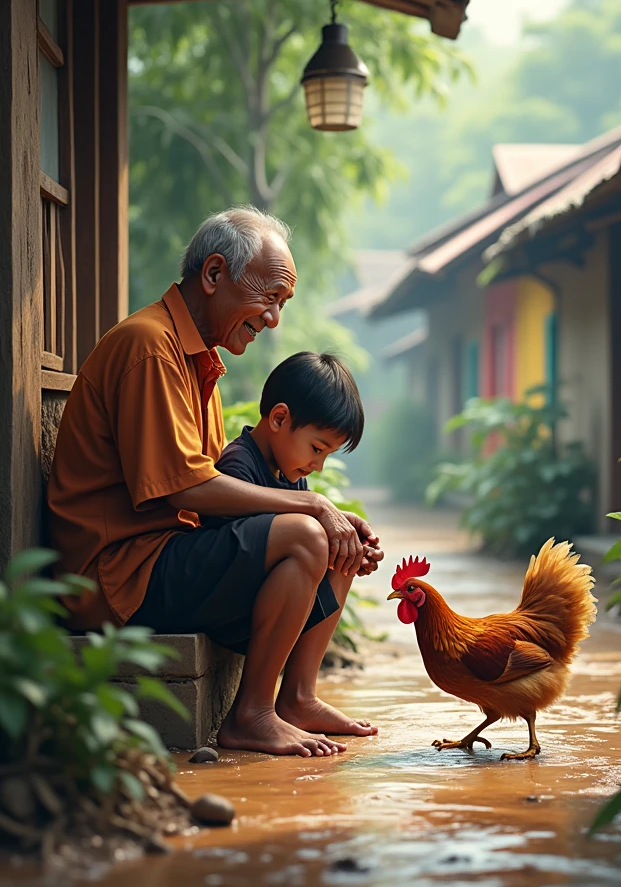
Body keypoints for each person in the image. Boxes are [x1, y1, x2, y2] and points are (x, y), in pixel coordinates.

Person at [48, 207, 383, 759]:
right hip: (117, 576)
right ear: (214, 274)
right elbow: (185, 489)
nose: (274, 318)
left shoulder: (194, 357)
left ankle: (296, 698)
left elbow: (199, 489)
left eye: (283, 304)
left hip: (160, 557)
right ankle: (251, 715)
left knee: (337, 542)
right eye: (269, 297)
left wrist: (330, 518)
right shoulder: (150, 347)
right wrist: (316, 508)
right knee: (307, 534)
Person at [205, 351, 380, 750]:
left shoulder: (285, 470)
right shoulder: (239, 465)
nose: (317, 465)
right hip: (230, 604)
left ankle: (299, 696)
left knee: (343, 551)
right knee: (316, 537)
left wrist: (348, 548)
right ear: (280, 419)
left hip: (266, 605)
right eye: (316, 448)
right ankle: (253, 712)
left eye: (327, 455)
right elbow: (241, 550)